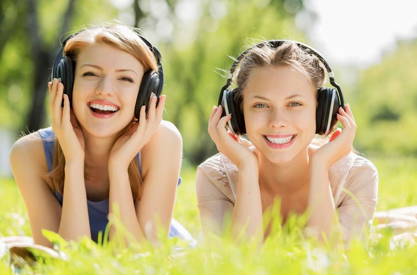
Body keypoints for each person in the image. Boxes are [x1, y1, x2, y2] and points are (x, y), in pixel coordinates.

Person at [9, 24, 193, 248]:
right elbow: (63, 264)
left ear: (146, 93)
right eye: (90, 74)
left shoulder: (162, 141)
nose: (105, 89)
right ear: (66, 83)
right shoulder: (29, 154)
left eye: (125, 79)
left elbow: (138, 261)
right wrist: (74, 162)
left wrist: (119, 167)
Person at [196, 40, 378, 243]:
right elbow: (236, 264)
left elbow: (331, 263)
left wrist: (320, 165)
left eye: (294, 103)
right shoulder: (215, 176)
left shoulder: (357, 176)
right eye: (260, 105)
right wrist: (247, 168)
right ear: (237, 114)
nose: (277, 122)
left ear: (321, 113)